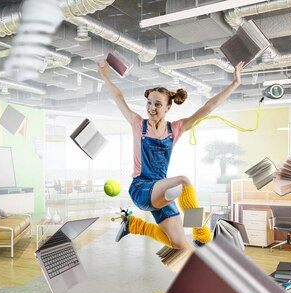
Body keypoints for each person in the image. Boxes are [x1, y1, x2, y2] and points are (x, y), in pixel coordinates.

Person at [98, 59, 244, 249]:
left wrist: (234, 84)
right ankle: (202, 236)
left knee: (180, 245)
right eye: (149, 103)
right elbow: (118, 96)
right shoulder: (137, 124)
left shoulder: (174, 129)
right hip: (141, 189)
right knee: (183, 181)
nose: (152, 108)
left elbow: (207, 108)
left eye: (158, 104)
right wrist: (105, 77)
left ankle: (133, 224)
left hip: (161, 190)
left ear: (168, 107)